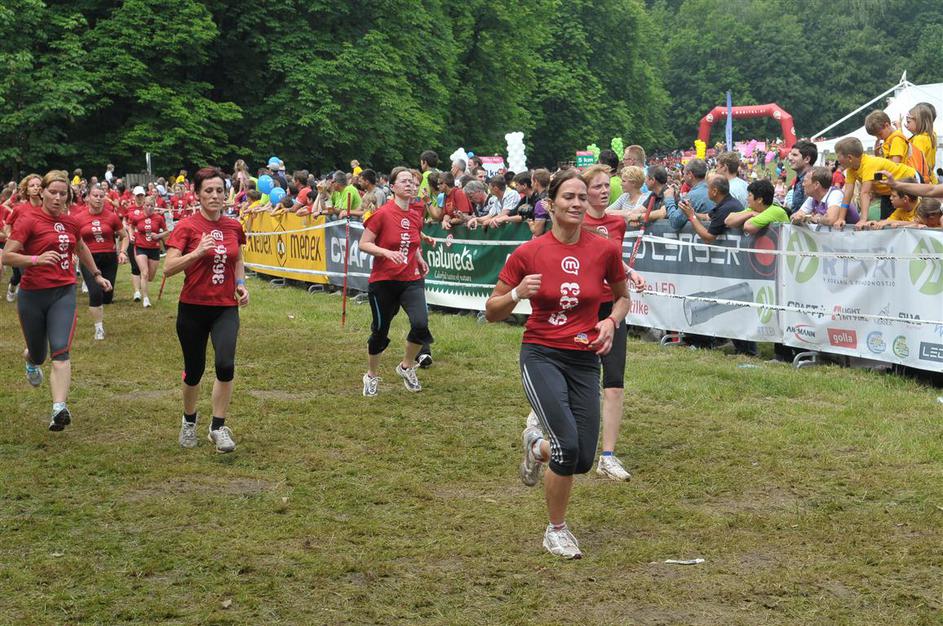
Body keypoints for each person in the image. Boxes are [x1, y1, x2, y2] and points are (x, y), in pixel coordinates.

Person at [485, 168, 629, 559]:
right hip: (542, 353)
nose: (577, 203)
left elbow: (622, 297)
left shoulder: (604, 250)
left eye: (583, 197)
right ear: (550, 204)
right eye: (569, 197)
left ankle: (536, 446)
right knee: (567, 445)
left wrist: (611, 322)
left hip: (585, 358)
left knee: (580, 459)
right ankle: (556, 531)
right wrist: (517, 293)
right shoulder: (529, 253)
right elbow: (492, 311)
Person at [3, 170, 113, 431]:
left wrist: (96, 275)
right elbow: (6, 256)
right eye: (52, 192)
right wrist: (35, 260)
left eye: (63, 194)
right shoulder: (28, 220)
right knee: (38, 353)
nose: (57, 198)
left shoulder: (71, 222)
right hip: (32, 295)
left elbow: (80, 247)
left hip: (63, 292)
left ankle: (59, 409)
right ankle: (30, 362)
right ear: (42, 192)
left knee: (61, 350)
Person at [164, 167, 249, 453]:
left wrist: (240, 284)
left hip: (225, 307)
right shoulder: (187, 227)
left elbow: (238, 259)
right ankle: (189, 421)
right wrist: (198, 252)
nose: (214, 196)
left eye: (219, 191)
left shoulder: (233, 226)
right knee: (194, 370)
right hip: (193, 308)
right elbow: (168, 268)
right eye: (208, 191)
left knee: (225, 365)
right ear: (197, 194)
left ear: (226, 194)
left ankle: (217, 427)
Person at [581, 165, 646, 481]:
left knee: (615, 381)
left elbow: (612, 258)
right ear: (584, 191)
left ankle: (607, 457)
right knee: (576, 376)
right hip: (582, 307)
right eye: (597, 186)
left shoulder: (616, 223)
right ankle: (543, 420)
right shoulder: (575, 223)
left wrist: (630, 272)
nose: (605, 191)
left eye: (608, 185)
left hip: (613, 307)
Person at [359, 167, 432, 397]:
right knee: (380, 331)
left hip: (411, 279)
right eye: (404, 181)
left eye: (412, 181)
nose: (410, 184)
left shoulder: (417, 213)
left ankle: (406, 366)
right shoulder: (382, 214)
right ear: (392, 187)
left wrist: (419, 258)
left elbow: (412, 241)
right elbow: (364, 243)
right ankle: (371, 375)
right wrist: (386, 253)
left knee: (420, 324)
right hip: (384, 281)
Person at [75, 185, 128, 339]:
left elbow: (124, 235)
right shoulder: (79, 218)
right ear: (87, 197)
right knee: (95, 292)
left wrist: (122, 252)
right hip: (89, 258)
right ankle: (99, 328)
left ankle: (102, 305)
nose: (98, 199)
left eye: (101, 196)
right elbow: (74, 239)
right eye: (95, 195)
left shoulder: (111, 216)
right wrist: (73, 254)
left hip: (109, 257)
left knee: (107, 295)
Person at [835, 137, 916, 226]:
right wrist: (841, 218)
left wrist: (863, 219)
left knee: (915, 217)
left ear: (850, 158)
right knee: (885, 222)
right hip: (889, 192)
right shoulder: (851, 170)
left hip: (910, 180)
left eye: (838, 156)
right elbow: (847, 194)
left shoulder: (869, 164)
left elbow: (865, 193)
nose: (837, 160)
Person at [5, 174, 43, 302]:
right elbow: (8, 224)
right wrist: (11, 238)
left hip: (43, 250)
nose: (36, 188)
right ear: (26, 190)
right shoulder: (19, 209)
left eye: (38, 185)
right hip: (22, 252)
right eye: (32, 186)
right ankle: (12, 288)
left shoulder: (48, 208)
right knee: (19, 276)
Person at [131, 194, 169, 308]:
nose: (149, 208)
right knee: (145, 273)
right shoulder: (137, 217)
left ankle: (142, 284)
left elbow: (167, 231)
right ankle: (145, 298)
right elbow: (131, 226)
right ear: (143, 205)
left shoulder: (158, 218)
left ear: (154, 206)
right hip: (140, 247)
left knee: (150, 277)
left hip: (154, 248)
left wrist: (158, 236)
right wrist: (131, 235)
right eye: (147, 205)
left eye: (152, 206)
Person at [790, 166, 860, 226]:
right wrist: (798, 218)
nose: (803, 184)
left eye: (805, 181)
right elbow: (795, 216)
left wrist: (816, 218)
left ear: (816, 185)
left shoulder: (835, 194)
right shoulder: (813, 197)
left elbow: (831, 219)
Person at [724, 179, 789, 235]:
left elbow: (748, 226)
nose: (747, 198)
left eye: (749, 195)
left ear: (759, 199)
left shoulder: (775, 211)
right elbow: (728, 221)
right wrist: (751, 213)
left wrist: (747, 216)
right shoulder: (753, 209)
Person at [906, 103, 937, 184]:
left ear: (919, 122)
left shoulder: (919, 139)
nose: (907, 124)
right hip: (931, 179)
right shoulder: (931, 135)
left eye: (909, 122)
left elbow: (916, 162)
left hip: (921, 180)